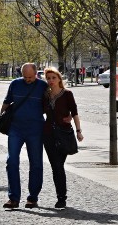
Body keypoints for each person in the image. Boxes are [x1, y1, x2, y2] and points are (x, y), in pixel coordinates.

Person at [1, 62, 48, 209]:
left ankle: (33, 197)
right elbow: (7, 103)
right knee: (12, 161)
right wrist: (1, 119)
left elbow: (51, 104)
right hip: (16, 129)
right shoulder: (15, 84)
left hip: (35, 129)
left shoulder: (42, 86)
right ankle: (13, 197)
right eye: (25, 76)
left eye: (30, 77)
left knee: (36, 163)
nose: (28, 79)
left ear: (36, 74)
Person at [42, 68, 83, 210]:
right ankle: (61, 198)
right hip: (48, 135)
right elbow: (39, 111)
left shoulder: (67, 94)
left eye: (53, 77)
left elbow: (75, 112)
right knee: (56, 165)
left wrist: (78, 131)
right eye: (48, 78)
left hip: (64, 133)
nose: (51, 81)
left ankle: (61, 197)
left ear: (59, 78)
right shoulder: (45, 95)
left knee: (59, 165)